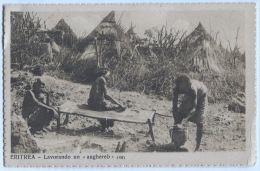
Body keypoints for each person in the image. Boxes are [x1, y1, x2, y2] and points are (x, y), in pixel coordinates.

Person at [172, 75, 208, 151]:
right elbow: (174, 106)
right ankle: (176, 143)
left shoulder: (192, 89)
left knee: (200, 121)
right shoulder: (177, 89)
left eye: (184, 87)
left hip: (202, 95)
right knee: (179, 114)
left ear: (187, 85)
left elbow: (194, 109)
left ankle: (197, 147)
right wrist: (176, 118)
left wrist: (186, 119)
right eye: (181, 87)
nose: (182, 88)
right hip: (189, 95)